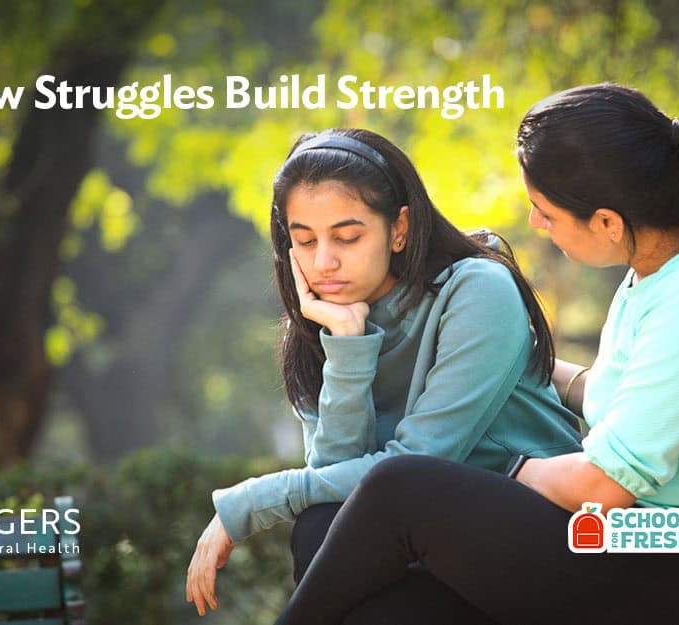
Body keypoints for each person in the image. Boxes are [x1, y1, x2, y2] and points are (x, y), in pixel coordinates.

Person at [270, 84, 679, 625]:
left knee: (400, 488)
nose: (534, 224)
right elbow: (615, 395)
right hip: (646, 540)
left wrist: (513, 467)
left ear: (607, 222)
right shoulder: (657, 278)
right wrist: (494, 357)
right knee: (356, 567)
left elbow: (604, 486)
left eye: (546, 212)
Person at [184, 128, 582, 616]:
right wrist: (348, 346)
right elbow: (333, 479)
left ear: (399, 229)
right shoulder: (317, 331)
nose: (324, 262)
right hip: (422, 550)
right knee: (322, 527)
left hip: (540, 537)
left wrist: (255, 500)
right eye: (304, 241)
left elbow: (418, 465)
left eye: (347, 237)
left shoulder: (477, 291)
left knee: (345, 520)